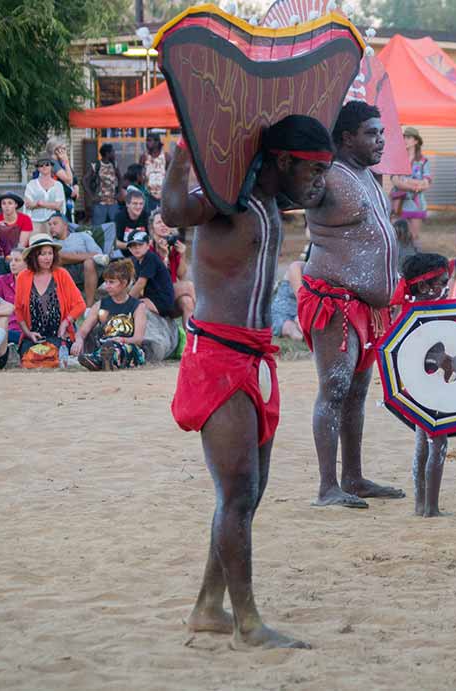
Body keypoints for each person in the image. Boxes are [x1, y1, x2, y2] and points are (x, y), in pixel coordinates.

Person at [163, 114, 334, 649]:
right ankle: (249, 625)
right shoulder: (226, 197)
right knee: (237, 493)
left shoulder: (268, 203)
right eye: (312, 169)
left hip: (256, 358)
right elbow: (173, 212)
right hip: (217, 355)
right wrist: (180, 156)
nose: (318, 181)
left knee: (249, 493)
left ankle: (209, 606)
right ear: (283, 161)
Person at [300, 100, 404, 509]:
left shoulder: (365, 176)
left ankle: (353, 477)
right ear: (346, 138)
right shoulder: (325, 176)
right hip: (334, 301)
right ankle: (328, 487)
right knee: (335, 388)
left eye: (381, 133)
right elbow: (297, 192)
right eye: (371, 133)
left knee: (357, 391)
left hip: (366, 304)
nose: (381, 140)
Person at [398, 253, 452, 517]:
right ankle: (431, 507)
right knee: (438, 444)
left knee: (422, 441)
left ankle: (421, 503)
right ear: (423, 287)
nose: (446, 287)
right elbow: (428, 355)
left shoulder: (410, 310)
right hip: (429, 385)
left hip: (416, 386)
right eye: (442, 282)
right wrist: (446, 362)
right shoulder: (426, 313)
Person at [13, 233, 86, 357]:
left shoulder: (62, 274)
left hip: (58, 336)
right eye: (43, 254)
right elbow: (18, 310)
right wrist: (28, 333)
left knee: (52, 355)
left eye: (50, 253)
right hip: (33, 337)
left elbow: (80, 305)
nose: (48, 258)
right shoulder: (22, 277)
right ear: (33, 256)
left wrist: (65, 323)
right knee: (31, 357)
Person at [72, 259, 147, 371]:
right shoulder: (100, 305)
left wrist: (121, 340)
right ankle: (103, 360)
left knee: (121, 350)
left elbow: (138, 339)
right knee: (106, 349)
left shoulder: (137, 306)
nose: (107, 286)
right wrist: (78, 340)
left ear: (124, 283)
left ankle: (103, 361)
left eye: (111, 282)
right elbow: (82, 332)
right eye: (106, 282)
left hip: (127, 346)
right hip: (105, 346)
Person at [47, 211, 105, 305]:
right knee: (57, 258)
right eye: (49, 225)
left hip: (87, 270)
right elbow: (56, 259)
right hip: (65, 273)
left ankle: (89, 307)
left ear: (65, 225)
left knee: (89, 262)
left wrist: (68, 258)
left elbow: (98, 255)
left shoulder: (82, 236)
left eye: (55, 223)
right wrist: (82, 255)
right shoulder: (50, 242)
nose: (51, 227)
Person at [149, 210, 195, 320]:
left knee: (187, 302)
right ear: (152, 227)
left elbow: (181, 275)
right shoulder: (148, 248)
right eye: (159, 222)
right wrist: (164, 257)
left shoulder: (173, 246)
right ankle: (201, 322)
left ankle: (189, 336)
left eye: (166, 222)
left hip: (170, 293)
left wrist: (182, 254)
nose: (163, 225)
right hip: (154, 295)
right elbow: (158, 280)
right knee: (188, 286)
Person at [390, 127, 431, 241]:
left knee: (414, 238)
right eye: (403, 137)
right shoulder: (397, 159)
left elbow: (426, 183)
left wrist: (406, 181)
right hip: (399, 204)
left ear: (416, 141)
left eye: (408, 137)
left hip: (416, 204)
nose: (405, 140)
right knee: (396, 236)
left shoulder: (423, 161)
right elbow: (395, 181)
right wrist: (416, 185)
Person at [127, 231, 177, 317]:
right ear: (129, 249)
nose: (137, 248)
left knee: (133, 308)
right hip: (151, 298)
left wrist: (126, 303)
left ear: (147, 245)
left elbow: (140, 284)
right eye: (133, 246)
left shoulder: (150, 257)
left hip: (161, 301)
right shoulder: (135, 260)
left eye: (140, 245)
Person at [25, 157, 66, 234]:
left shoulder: (58, 185)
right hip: (35, 221)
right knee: (36, 244)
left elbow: (58, 206)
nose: (44, 167)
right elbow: (28, 204)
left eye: (47, 164)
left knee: (52, 244)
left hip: (53, 222)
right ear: (38, 168)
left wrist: (40, 203)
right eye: (41, 165)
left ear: (51, 166)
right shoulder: (31, 184)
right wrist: (50, 204)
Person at [85, 143, 121, 227]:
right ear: (107, 153)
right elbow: (84, 180)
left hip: (113, 203)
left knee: (114, 227)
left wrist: (118, 193)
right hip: (100, 203)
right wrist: (91, 196)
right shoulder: (96, 165)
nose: (114, 153)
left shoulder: (114, 164)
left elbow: (120, 178)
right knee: (98, 228)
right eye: (113, 152)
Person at [0, 251, 25, 344]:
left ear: (27, 263)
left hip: (27, 330)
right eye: (11, 261)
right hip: (8, 328)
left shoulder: (34, 281)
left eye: (17, 260)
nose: (12, 264)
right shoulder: (1, 280)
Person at [270, 260, 305, 340]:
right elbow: (294, 266)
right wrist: (303, 312)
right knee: (289, 328)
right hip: (285, 308)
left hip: (306, 310)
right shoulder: (305, 267)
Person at [141, 132, 171, 214]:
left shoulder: (166, 156)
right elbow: (140, 174)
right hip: (148, 195)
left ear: (157, 142)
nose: (147, 143)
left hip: (163, 195)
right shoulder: (144, 157)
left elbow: (171, 176)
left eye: (149, 140)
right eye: (146, 141)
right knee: (149, 218)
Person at [115, 187, 149, 255]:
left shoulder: (146, 215)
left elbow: (151, 237)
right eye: (135, 203)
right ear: (127, 204)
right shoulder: (120, 217)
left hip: (144, 253)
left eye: (141, 204)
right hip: (124, 253)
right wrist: (134, 246)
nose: (138, 207)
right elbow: (115, 242)